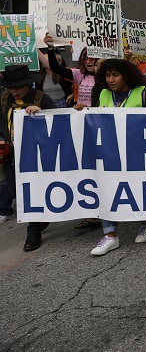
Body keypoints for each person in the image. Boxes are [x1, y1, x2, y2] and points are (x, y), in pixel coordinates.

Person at [85, 59, 146, 256]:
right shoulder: (102, 94)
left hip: (137, 152)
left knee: (139, 187)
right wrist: (81, 112)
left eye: (115, 75)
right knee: (107, 188)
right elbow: (93, 119)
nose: (110, 80)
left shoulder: (142, 92)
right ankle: (110, 234)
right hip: (110, 153)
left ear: (126, 76)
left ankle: (145, 224)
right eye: (107, 75)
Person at [40, 34, 102, 230]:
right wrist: (50, 48)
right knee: (86, 167)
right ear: (82, 61)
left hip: (100, 126)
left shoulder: (107, 77)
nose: (90, 62)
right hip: (81, 127)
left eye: (95, 59)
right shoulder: (78, 75)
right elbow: (56, 68)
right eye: (87, 58)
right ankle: (92, 213)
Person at [0, 66, 57, 250]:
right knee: (16, 192)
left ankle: (33, 233)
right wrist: (2, 139)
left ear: (27, 84)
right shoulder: (4, 98)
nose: (14, 91)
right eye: (11, 87)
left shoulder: (41, 98)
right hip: (12, 154)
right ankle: (41, 219)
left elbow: (58, 121)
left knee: (31, 192)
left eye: (19, 87)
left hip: (36, 153)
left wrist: (41, 113)